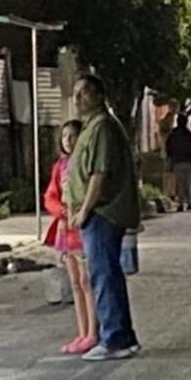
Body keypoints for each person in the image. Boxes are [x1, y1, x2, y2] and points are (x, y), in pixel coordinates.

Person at [64, 75, 140, 361]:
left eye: (84, 93)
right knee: (105, 274)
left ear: (99, 95)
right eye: (76, 93)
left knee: (104, 275)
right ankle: (122, 335)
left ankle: (114, 338)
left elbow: (100, 173)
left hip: (102, 213)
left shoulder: (103, 128)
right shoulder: (91, 127)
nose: (78, 98)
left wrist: (84, 209)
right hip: (94, 213)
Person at [43, 120, 97, 355]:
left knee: (87, 282)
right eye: (64, 136)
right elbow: (50, 196)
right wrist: (62, 211)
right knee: (74, 283)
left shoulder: (85, 166)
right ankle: (82, 331)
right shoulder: (60, 167)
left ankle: (93, 333)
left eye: (73, 136)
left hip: (83, 227)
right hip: (66, 230)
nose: (68, 140)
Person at [165, 114, 191, 212]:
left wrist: (170, 158)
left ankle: (181, 204)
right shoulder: (189, 134)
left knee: (180, 184)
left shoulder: (173, 134)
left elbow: (168, 148)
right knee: (188, 182)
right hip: (188, 161)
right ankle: (189, 202)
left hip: (177, 161)